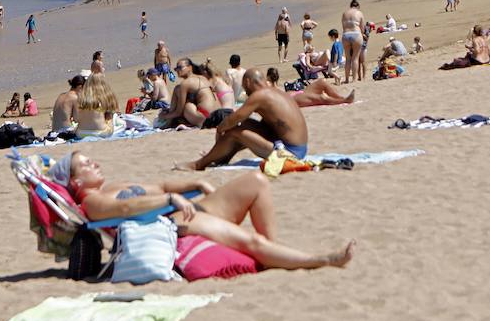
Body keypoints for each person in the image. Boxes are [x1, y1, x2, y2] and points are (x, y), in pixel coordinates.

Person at [61, 152, 353, 270]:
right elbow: (125, 208)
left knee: (257, 181)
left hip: (188, 208)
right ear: (75, 182)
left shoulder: (115, 184)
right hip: (174, 221)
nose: (94, 164)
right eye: (86, 165)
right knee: (250, 242)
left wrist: (196, 181)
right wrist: (171, 200)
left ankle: (274, 251)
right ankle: (322, 260)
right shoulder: (92, 202)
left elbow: (161, 183)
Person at [179, 69, 310, 169]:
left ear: (247, 82)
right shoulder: (275, 92)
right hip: (298, 147)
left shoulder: (259, 96)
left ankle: (198, 165)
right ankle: (221, 157)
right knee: (244, 125)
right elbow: (263, 126)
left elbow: (233, 119)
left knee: (235, 132)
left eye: (244, 86)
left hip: (290, 153)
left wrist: (219, 130)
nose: (245, 91)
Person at [264, 67, 354, 107]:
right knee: (321, 97)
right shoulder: (267, 86)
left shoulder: (273, 85)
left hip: (298, 93)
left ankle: (341, 97)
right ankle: (344, 100)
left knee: (322, 82)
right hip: (293, 99)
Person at [341, 0, 366, 84]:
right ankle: (354, 79)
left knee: (348, 58)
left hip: (346, 35)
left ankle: (347, 79)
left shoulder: (344, 13)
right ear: (358, 6)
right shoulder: (359, 13)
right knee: (355, 58)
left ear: (350, 6)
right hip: (356, 34)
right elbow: (362, 28)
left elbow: (343, 26)